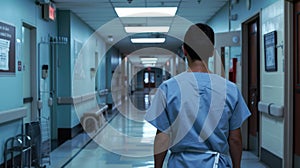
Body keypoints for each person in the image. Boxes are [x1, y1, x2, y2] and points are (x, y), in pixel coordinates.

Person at [144, 23, 251, 168]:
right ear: (212, 52)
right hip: (216, 163)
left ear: (184, 50)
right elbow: (235, 139)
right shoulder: (230, 90)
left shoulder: (168, 88)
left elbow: (163, 137)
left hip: (179, 163)